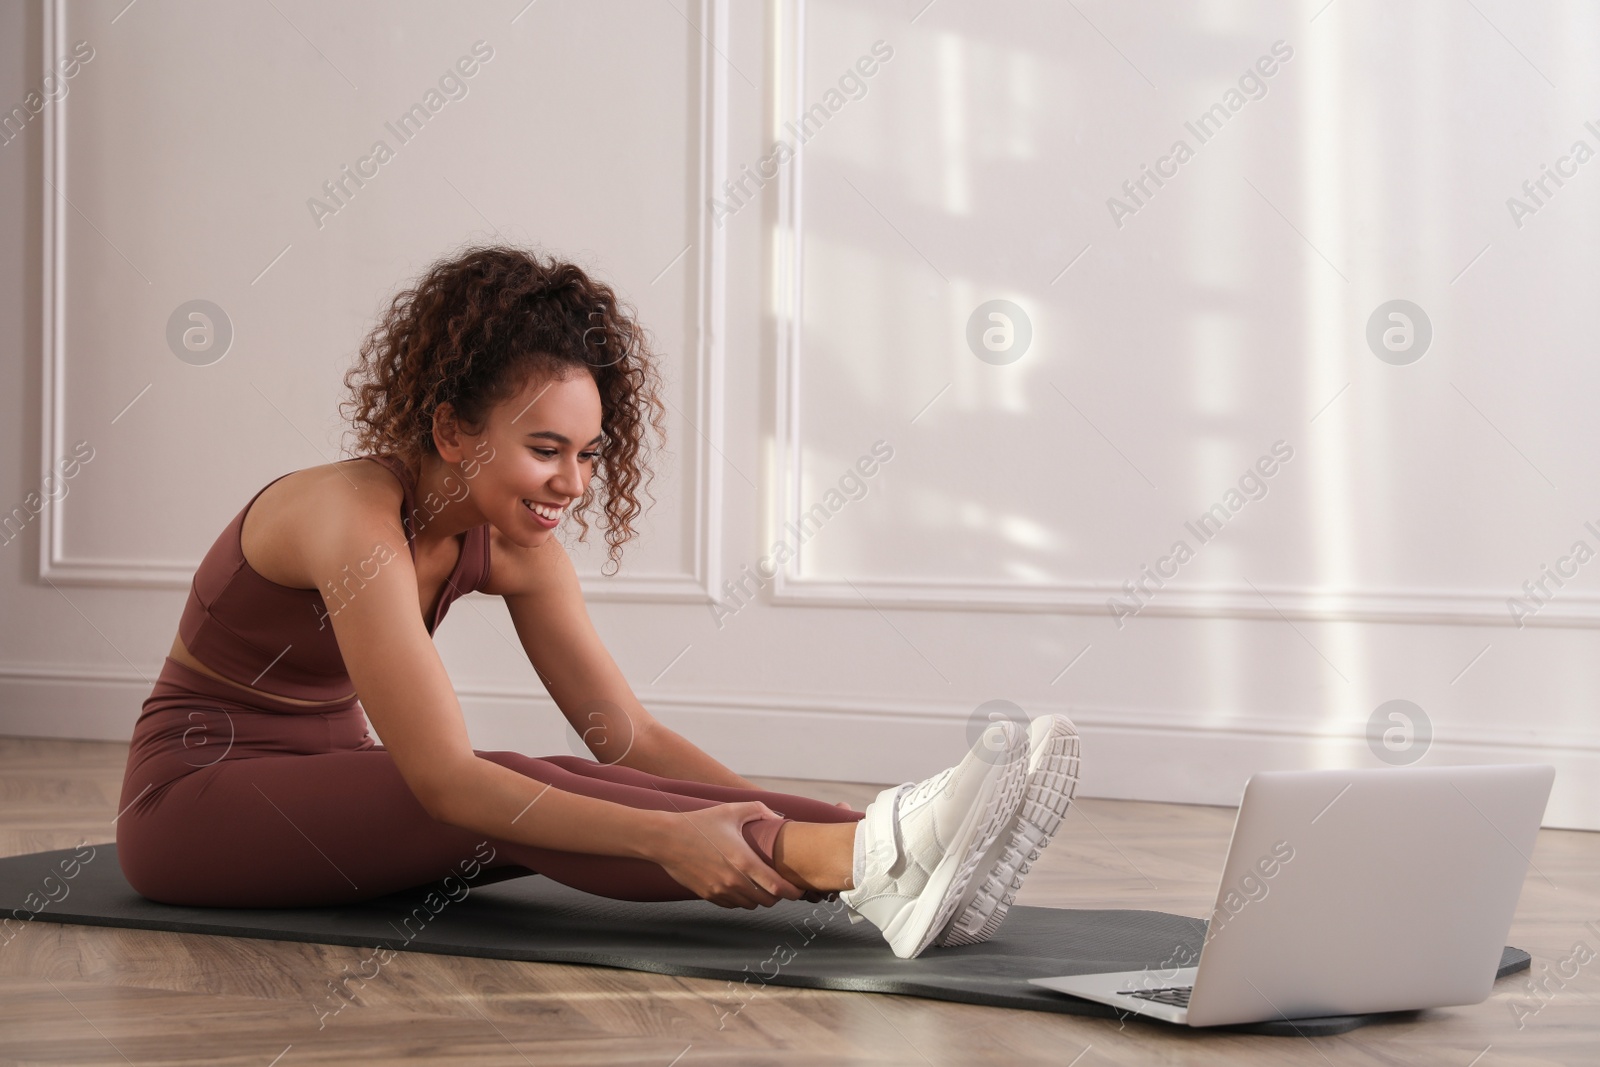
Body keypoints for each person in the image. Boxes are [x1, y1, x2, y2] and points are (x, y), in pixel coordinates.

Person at [114, 247, 1081, 959]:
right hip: (196, 804)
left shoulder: (517, 547)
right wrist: (670, 838)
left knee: (554, 785)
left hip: (339, 788)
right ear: (451, 428)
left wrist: (780, 811)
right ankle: (880, 861)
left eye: (590, 454)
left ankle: (884, 846)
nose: (573, 482)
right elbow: (449, 781)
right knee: (503, 787)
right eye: (546, 449)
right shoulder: (346, 515)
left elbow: (630, 741)